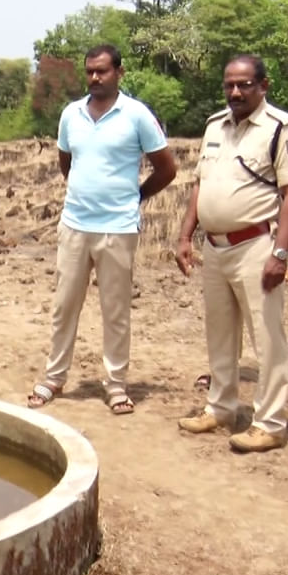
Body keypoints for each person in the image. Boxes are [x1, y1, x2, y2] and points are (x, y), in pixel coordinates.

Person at [26, 44, 178, 414]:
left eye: (103, 71)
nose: (95, 78)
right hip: (75, 225)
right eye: (90, 71)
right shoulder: (71, 114)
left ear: (119, 73)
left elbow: (167, 168)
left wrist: (134, 198)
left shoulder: (137, 115)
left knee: (115, 311)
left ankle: (116, 385)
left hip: (118, 228)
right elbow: (67, 162)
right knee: (64, 306)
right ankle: (54, 378)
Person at [174, 54, 288, 453]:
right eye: (229, 84)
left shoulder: (281, 129)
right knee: (220, 333)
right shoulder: (216, 126)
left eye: (245, 84)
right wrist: (185, 236)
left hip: (256, 246)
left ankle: (269, 422)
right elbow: (200, 184)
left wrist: (280, 253)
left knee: (266, 336)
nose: (236, 91)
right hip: (214, 248)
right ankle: (220, 407)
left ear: (263, 86)